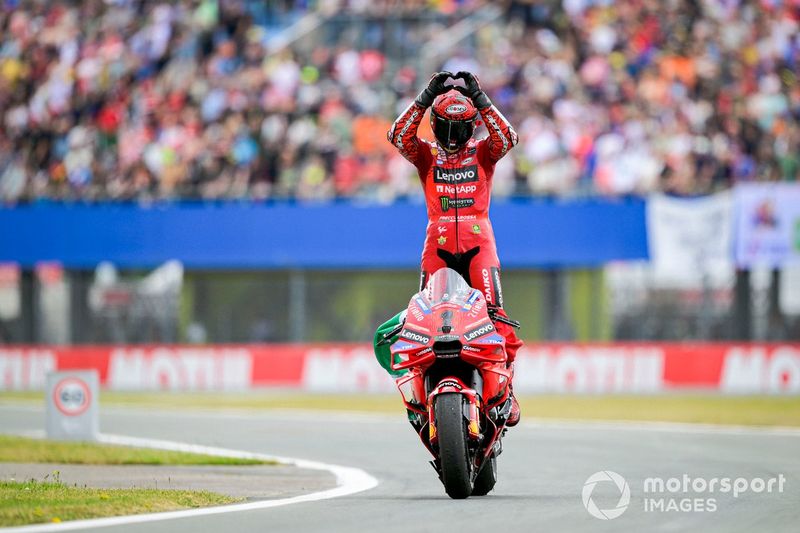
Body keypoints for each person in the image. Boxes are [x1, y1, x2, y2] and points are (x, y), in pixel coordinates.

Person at [375, 71, 522, 426]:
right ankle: (425, 397)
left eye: (462, 127)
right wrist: (426, 96)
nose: (455, 137)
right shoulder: (425, 155)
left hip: (479, 244)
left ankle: (505, 393)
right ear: (435, 124)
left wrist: (480, 97)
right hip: (437, 247)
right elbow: (397, 134)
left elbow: (508, 137)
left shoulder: (485, 153)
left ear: (472, 126)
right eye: (447, 127)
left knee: (496, 318)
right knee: (425, 317)